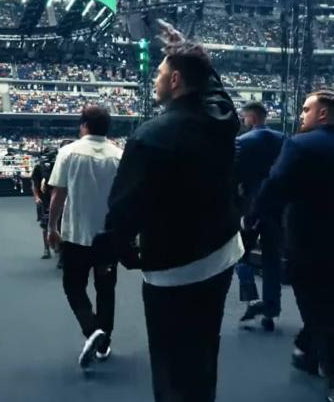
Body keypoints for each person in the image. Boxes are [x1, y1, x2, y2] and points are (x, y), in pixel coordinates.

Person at [93, 21, 242, 402]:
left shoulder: (150, 136)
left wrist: (120, 254)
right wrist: (195, 56)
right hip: (222, 254)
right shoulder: (223, 119)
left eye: (159, 74)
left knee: (171, 362)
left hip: (174, 270)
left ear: (175, 80)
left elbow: (124, 211)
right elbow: (216, 92)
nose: (155, 80)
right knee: (205, 347)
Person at [252, 90, 334, 402]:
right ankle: (306, 352)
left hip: (309, 246)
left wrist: (252, 216)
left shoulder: (298, 144)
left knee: (324, 313)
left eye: (306, 109)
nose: (301, 115)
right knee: (327, 305)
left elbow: (275, 184)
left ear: (322, 113)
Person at [47, 105, 122, 369]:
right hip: (108, 239)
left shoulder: (68, 152)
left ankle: (92, 331)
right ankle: (104, 342)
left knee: (73, 286)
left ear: (84, 125)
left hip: (76, 236)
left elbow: (58, 195)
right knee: (106, 290)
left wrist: (51, 227)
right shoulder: (119, 156)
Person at [234, 101, 285, 331]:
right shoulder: (284, 139)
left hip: (250, 208)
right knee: (272, 259)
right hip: (276, 208)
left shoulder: (243, 142)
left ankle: (252, 298)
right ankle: (271, 311)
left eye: (244, 118)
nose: (243, 122)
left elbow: (234, 175)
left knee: (239, 254)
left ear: (252, 118)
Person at [31, 149, 56, 259]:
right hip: (44, 199)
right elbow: (35, 184)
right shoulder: (38, 167)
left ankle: (59, 250)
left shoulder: (59, 165)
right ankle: (46, 249)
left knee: (60, 225)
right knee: (45, 225)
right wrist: (36, 197)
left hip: (58, 198)